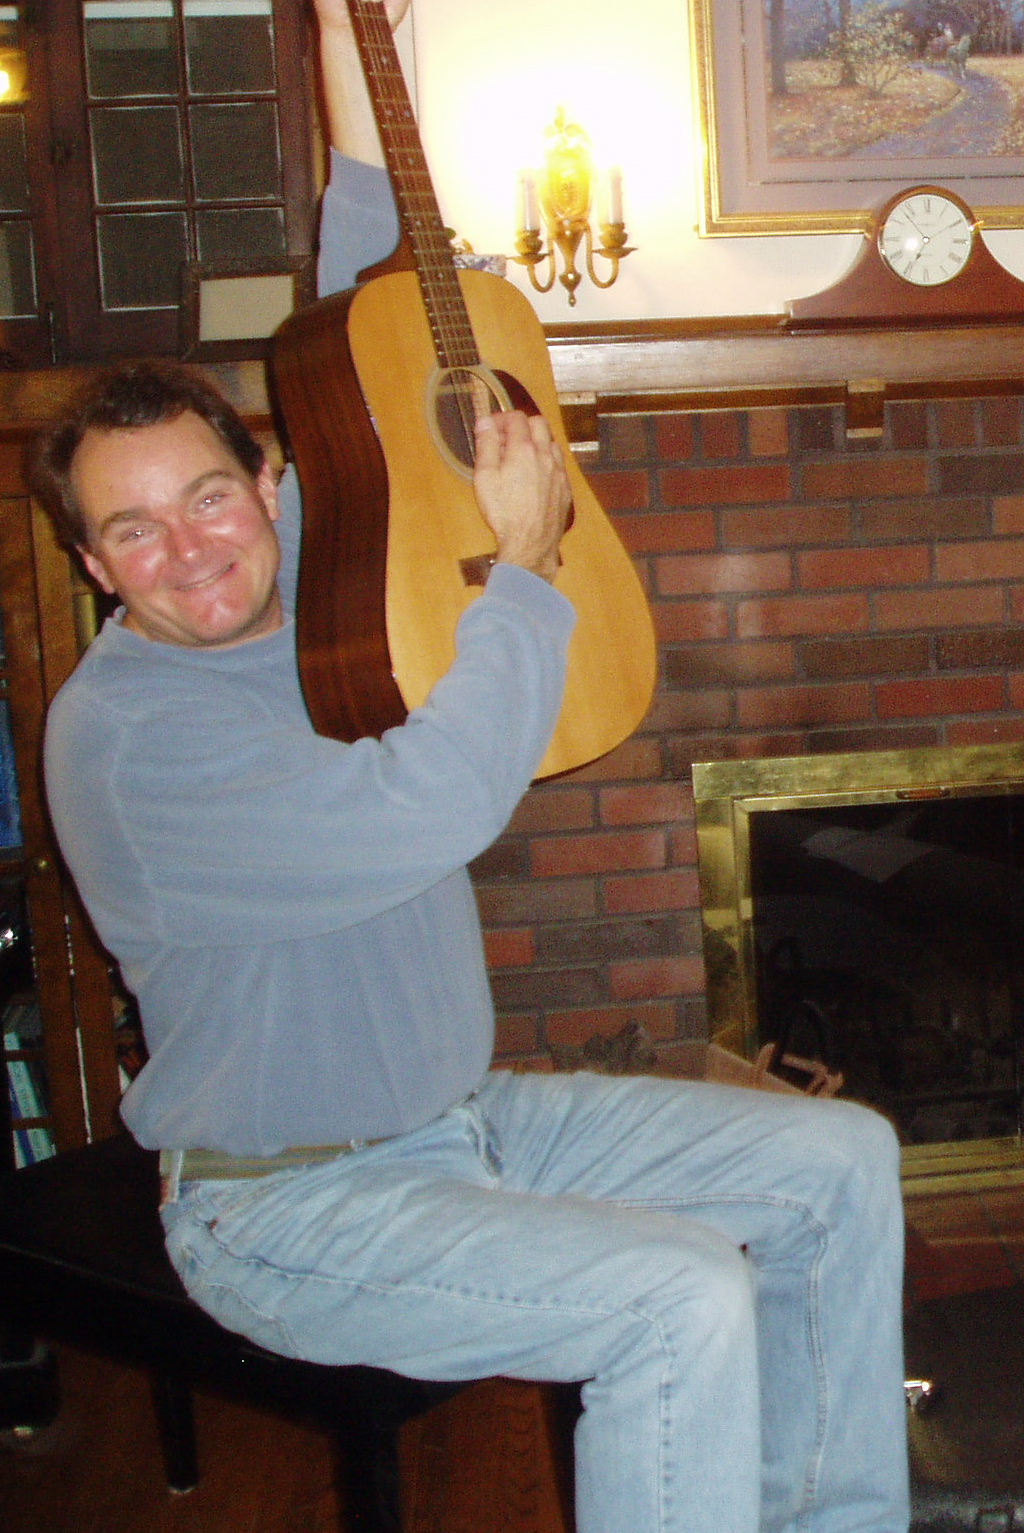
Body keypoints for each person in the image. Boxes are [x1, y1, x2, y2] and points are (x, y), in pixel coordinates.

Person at [31, 5, 910, 1531]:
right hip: (288, 1199)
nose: (187, 548)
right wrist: (523, 572)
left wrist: (358, 38)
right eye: (132, 531)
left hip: (465, 1117)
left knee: (840, 1161)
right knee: (678, 1294)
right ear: (96, 567)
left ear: (269, 481)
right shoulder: (126, 740)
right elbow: (431, 804)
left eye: (207, 497)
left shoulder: (314, 573)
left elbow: (367, 297)